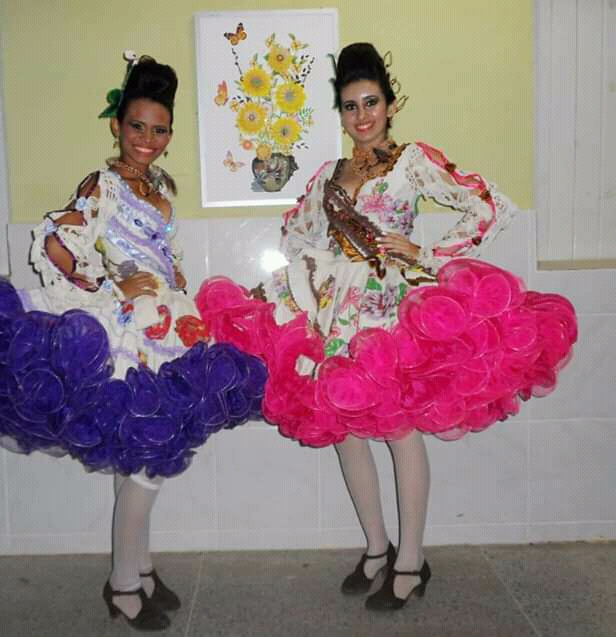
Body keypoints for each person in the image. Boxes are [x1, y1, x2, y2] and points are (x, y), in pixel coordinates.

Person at [195, 42, 577, 611]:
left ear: (391, 105)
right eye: (350, 106)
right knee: (346, 429)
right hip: (337, 314)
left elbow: (490, 206)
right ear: (341, 112)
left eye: (371, 102)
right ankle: (377, 549)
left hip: (393, 309)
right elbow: (297, 236)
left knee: (399, 431)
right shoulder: (330, 175)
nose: (362, 116)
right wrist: (315, 273)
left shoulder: (412, 162)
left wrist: (426, 253)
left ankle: (411, 561)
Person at [0, 52, 265, 631]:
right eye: (137, 126)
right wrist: (113, 284)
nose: (148, 140)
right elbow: (55, 245)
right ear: (117, 125)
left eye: (159, 130)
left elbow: (166, 261)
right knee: (147, 460)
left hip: (167, 327)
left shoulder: (159, 188)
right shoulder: (104, 185)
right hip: (128, 333)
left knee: (143, 450)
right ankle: (123, 586)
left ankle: (141, 568)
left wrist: (181, 303)